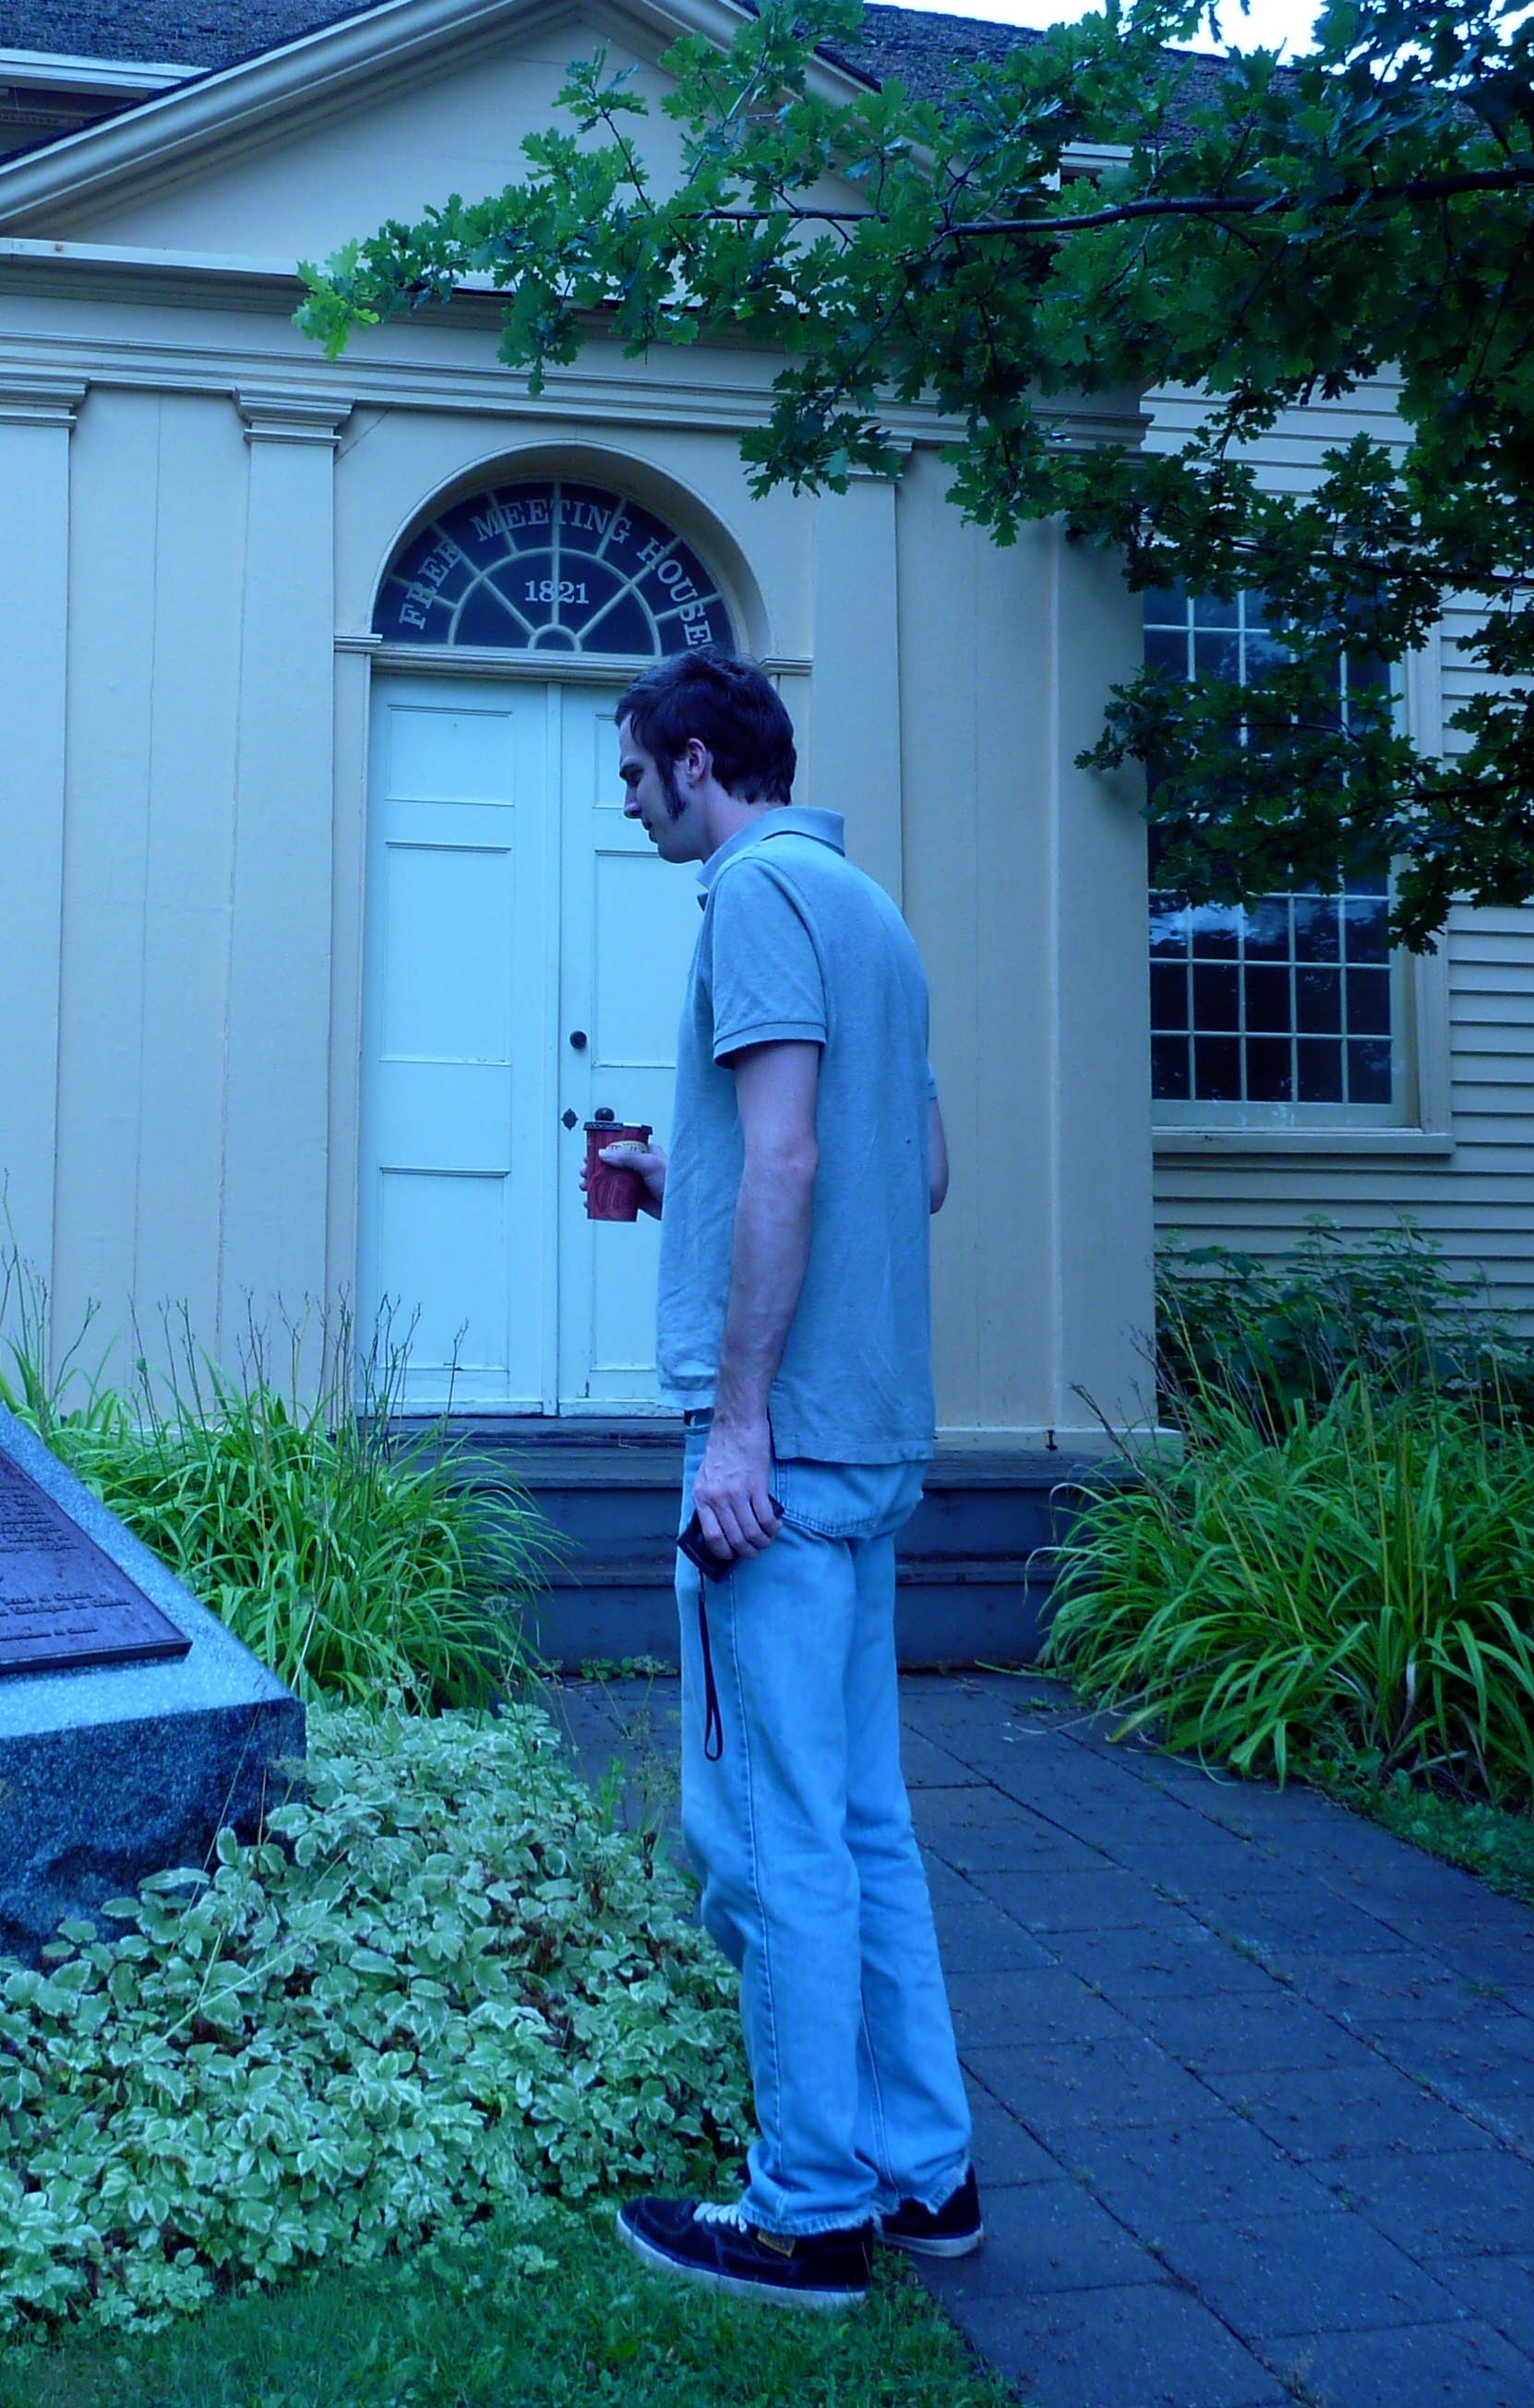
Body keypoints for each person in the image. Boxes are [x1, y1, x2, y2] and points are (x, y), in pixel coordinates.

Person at [590, 645, 979, 2312]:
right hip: (878, 1435)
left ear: (695, 757)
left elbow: (804, 1156)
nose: (628, 802)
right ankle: (927, 2174)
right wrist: (690, 1173)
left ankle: (809, 2210)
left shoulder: (752, 898)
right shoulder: (870, 912)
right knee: (867, 1821)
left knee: (766, 1832)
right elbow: (924, 1167)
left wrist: (736, 1422)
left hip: (786, 1452)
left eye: (632, 773)